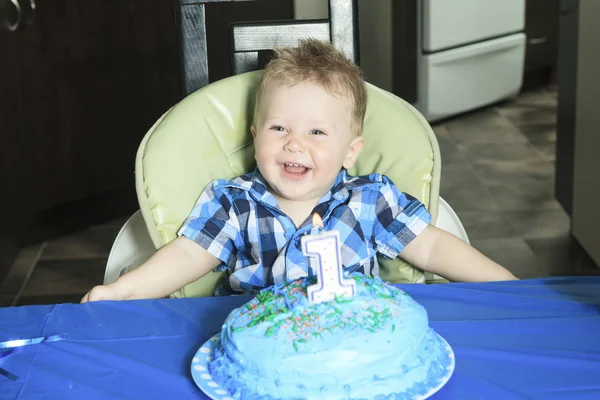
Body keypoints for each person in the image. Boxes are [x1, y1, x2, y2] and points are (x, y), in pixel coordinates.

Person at [81, 39, 516, 303]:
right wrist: (121, 292)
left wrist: (511, 287)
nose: (295, 143)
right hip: (257, 349)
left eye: (317, 132)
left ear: (351, 151)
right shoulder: (234, 203)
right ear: (256, 135)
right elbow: (187, 255)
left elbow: (436, 248)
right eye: (278, 127)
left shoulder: (370, 200)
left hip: (353, 346)